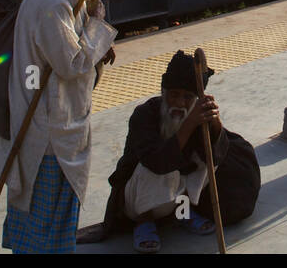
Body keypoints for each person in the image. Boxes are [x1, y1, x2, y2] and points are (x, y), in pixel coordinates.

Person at [0, 0, 116, 254]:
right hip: (50, 136)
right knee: (49, 224)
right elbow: (72, 64)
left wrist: (94, 20)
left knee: (43, 221)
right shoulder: (54, 2)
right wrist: (97, 34)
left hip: (56, 124)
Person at [85, 51, 261, 253]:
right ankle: (144, 224)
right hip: (137, 200)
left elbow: (217, 156)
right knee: (158, 167)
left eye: (187, 97)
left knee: (206, 160)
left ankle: (182, 212)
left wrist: (215, 124)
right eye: (174, 95)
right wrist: (188, 124)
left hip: (173, 198)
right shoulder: (145, 114)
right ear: (163, 92)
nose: (179, 103)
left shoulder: (197, 115)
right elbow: (157, 162)